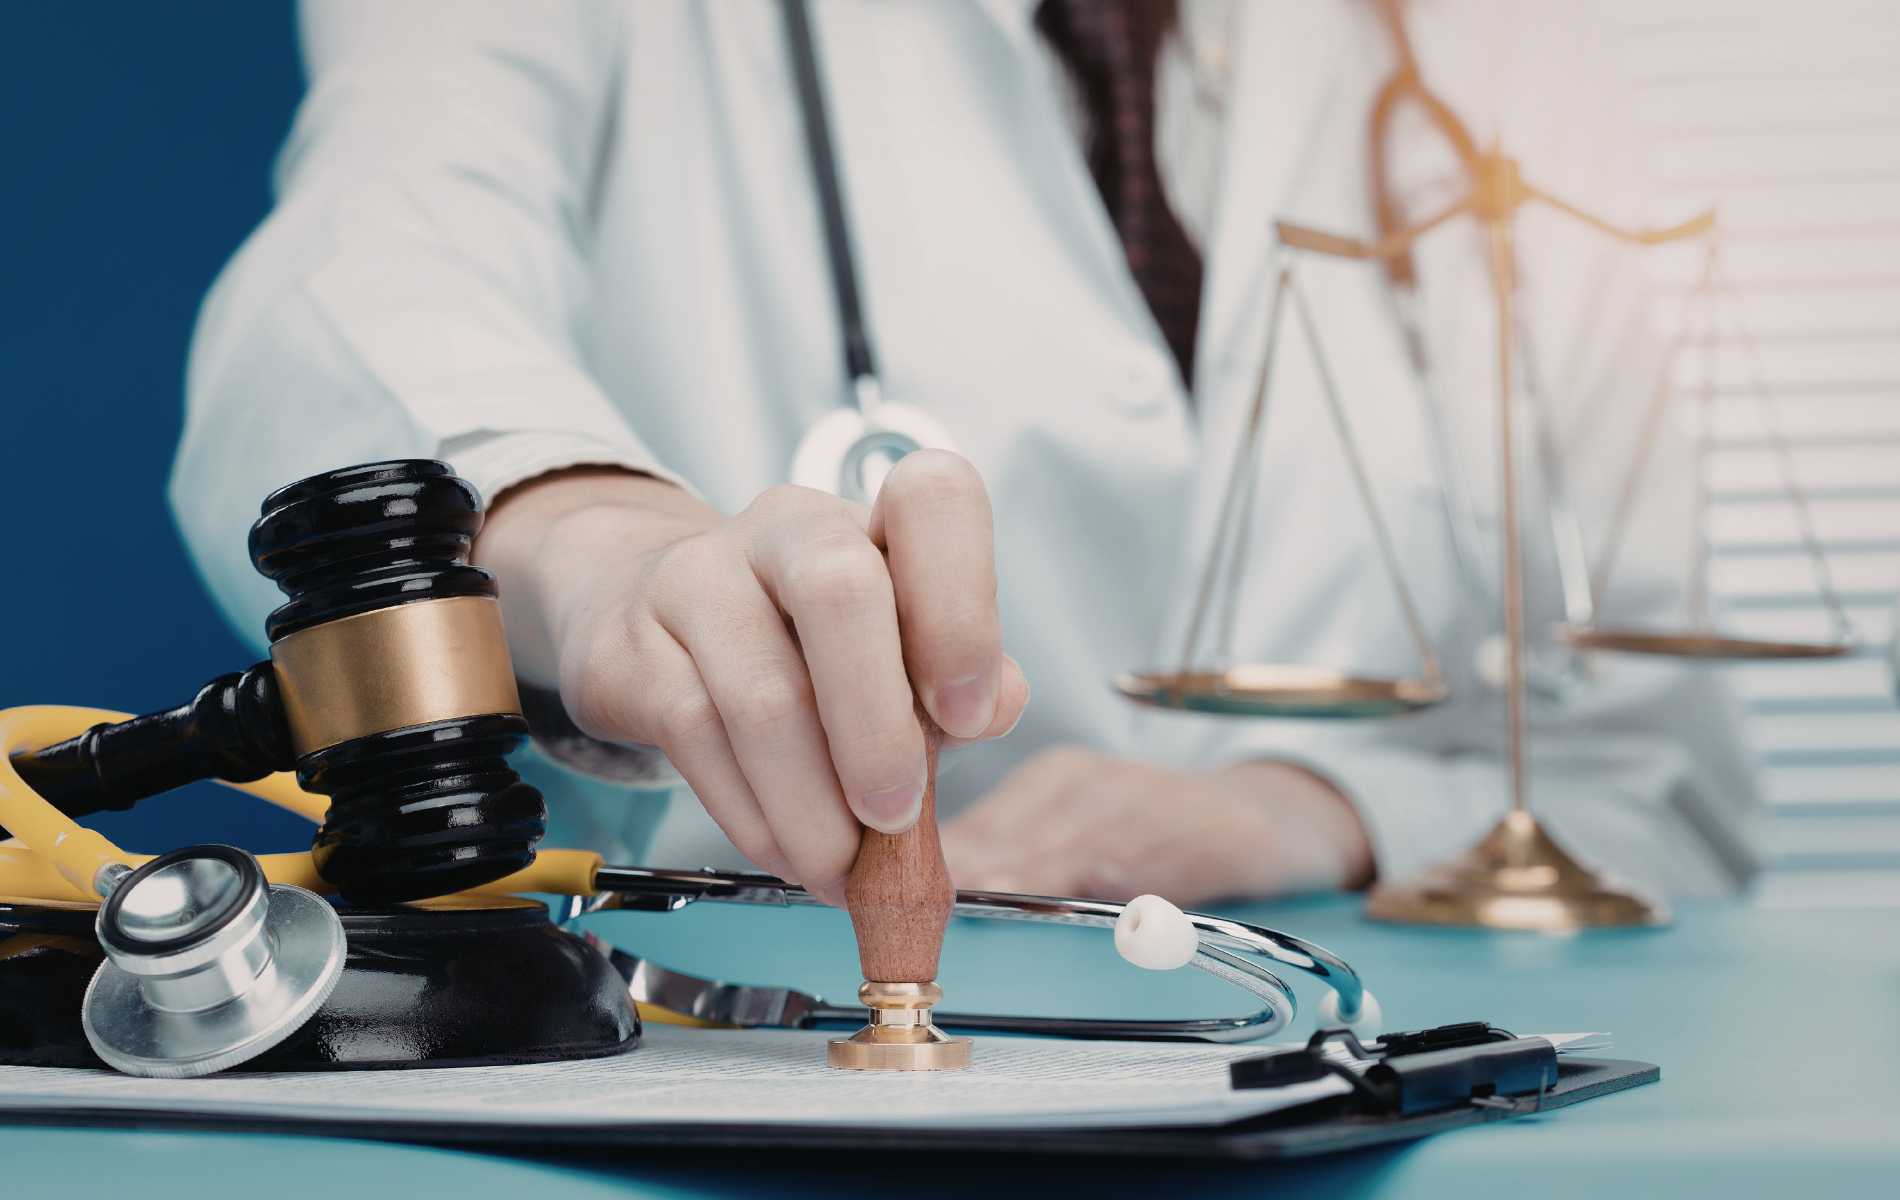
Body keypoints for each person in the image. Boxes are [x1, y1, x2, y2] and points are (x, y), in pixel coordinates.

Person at [171, 0, 1764, 909]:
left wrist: (1307, 808)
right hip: (803, 1059)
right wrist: (599, 546)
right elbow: (368, 265)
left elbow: (1667, 782)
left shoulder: (1507, 55)